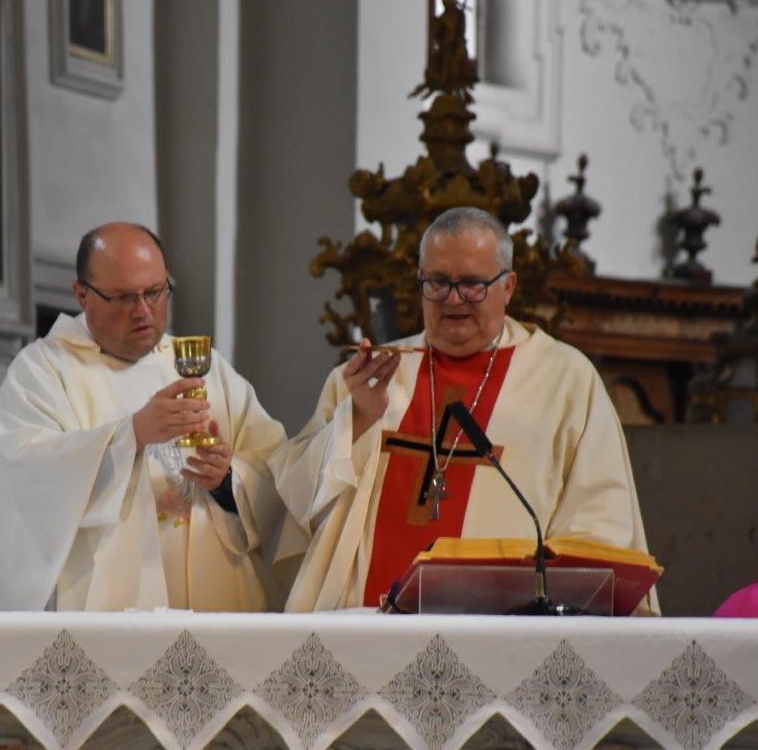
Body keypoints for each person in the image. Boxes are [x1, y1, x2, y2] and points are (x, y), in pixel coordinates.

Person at [271, 207, 659, 614]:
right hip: (366, 624)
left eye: (472, 284)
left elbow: (598, 524)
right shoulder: (370, 377)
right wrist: (357, 421)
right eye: (437, 282)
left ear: (508, 287)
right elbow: (301, 504)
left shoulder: (567, 381)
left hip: (505, 633)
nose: (453, 299)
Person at [0, 222, 286, 611]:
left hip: (218, 604)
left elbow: (276, 467)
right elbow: (31, 480)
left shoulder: (206, 368)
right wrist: (132, 436)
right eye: (123, 298)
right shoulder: (43, 372)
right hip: (112, 611)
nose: (143, 311)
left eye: (155, 292)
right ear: (82, 295)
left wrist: (226, 479)